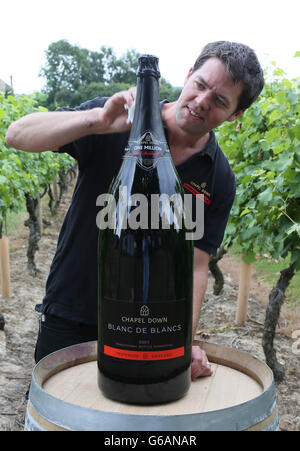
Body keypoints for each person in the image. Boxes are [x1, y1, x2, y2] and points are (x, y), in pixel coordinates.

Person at [6, 41, 264, 379]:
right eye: (200, 85)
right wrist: (96, 121)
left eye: (219, 101)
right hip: (73, 314)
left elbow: (196, 267)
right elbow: (17, 135)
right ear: (188, 76)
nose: (201, 102)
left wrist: (182, 341)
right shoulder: (116, 121)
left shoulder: (217, 177)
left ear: (236, 114)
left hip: (150, 332)